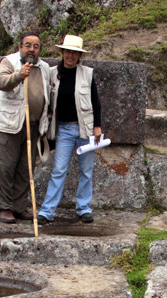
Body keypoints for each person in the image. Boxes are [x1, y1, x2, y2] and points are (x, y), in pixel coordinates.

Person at [37, 34, 102, 225]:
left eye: (74, 52)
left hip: (85, 130)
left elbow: (95, 102)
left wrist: (97, 127)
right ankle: (47, 211)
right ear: (62, 52)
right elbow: (46, 102)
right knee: (59, 169)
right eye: (67, 51)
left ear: (79, 55)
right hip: (64, 129)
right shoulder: (51, 73)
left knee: (86, 171)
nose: (70, 55)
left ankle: (84, 208)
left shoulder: (87, 74)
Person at [0, 32, 51, 224]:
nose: (32, 50)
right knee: (5, 166)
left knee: (26, 169)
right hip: (11, 124)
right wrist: (18, 76)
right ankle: (4, 207)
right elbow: (0, 82)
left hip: (33, 125)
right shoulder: (9, 62)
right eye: (28, 45)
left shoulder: (45, 68)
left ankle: (19, 207)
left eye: (36, 46)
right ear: (20, 47)